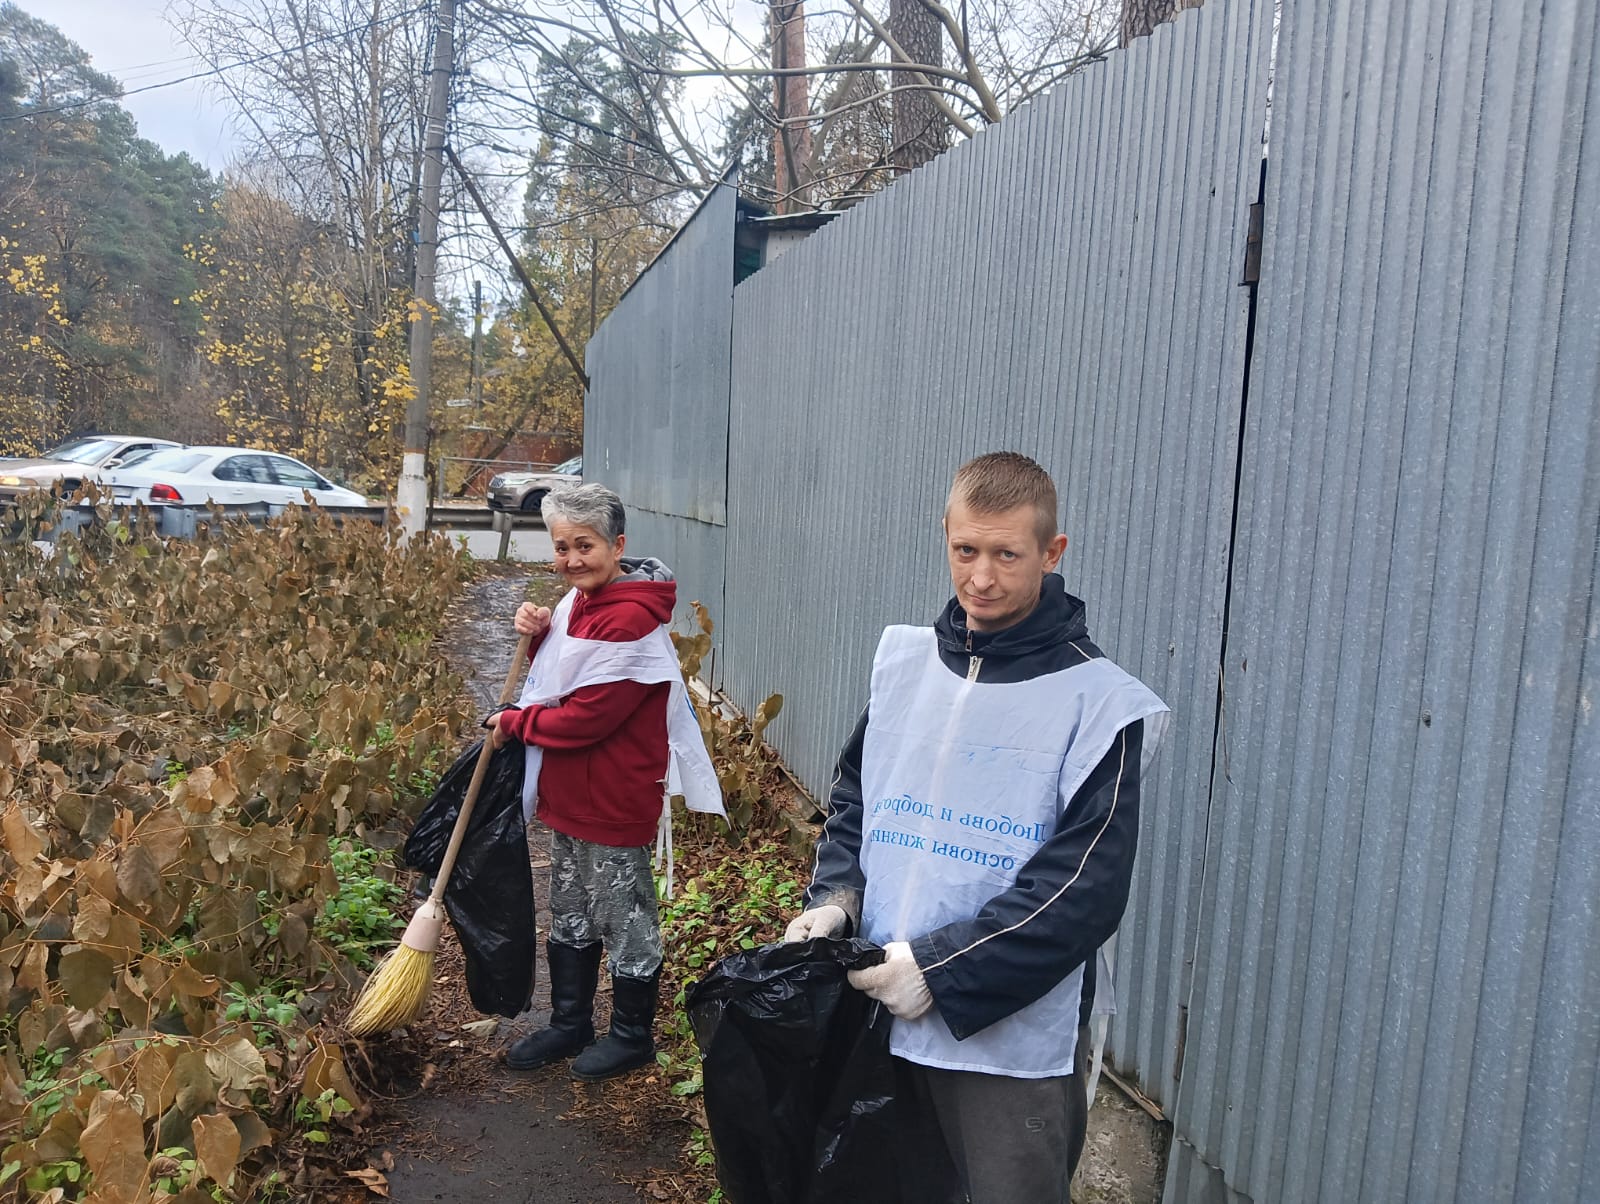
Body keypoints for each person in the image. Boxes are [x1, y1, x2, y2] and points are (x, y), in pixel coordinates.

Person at [783, 451, 1169, 1203]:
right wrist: (836, 896)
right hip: (876, 1003)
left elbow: (1081, 892)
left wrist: (938, 969)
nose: (982, 579)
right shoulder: (905, 665)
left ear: (1052, 553)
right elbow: (860, 796)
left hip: (1006, 1042)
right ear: (945, 536)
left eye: (1006, 555)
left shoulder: (1101, 705)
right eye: (966, 550)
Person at [486, 482, 722, 1081]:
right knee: (569, 909)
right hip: (571, 796)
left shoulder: (630, 620)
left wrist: (518, 722)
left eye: (584, 545)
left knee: (625, 916)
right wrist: (538, 631)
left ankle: (631, 1034)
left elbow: (589, 714)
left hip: (613, 798)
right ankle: (570, 1023)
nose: (570, 559)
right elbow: (565, 666)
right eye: (561, 546)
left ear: (617, 545)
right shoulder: (579, 603)